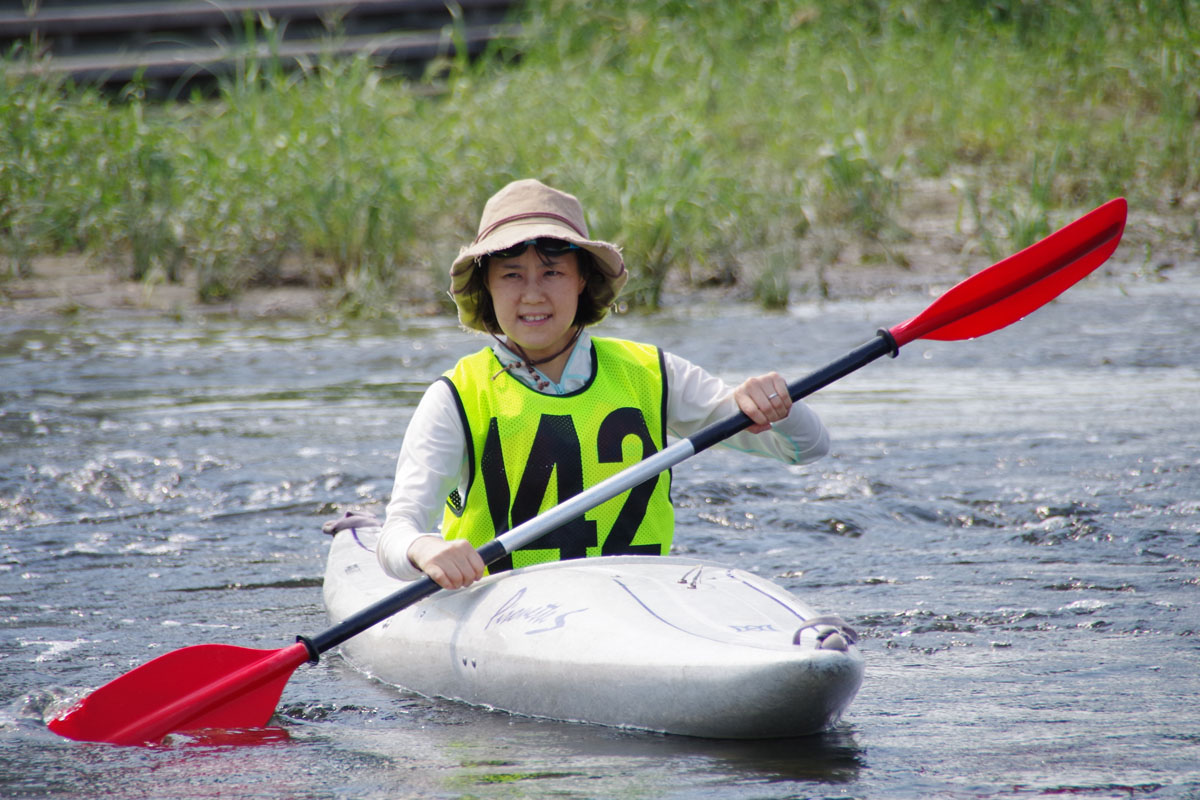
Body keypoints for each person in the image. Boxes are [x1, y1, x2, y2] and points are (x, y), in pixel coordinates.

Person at [377, 178, 829, 589]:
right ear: (487, 289)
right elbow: (398, 531)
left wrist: (781, 406)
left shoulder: (652, 373)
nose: (532, 294)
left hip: (637, 603)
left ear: (582, 282)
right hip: (505, 612)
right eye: (512, 274)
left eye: (552, 272)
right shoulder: (455, 396)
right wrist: (426, 549)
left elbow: (806, 449)